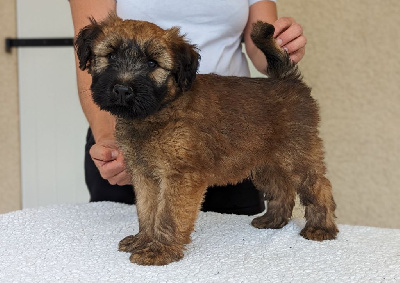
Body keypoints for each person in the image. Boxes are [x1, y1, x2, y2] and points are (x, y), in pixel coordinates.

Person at [69, 0, 307, 215]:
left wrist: (280, 49)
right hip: (121, 126)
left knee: (233, 246)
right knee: (119, 242)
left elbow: (258, 45)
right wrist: (110, 138)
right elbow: (92, 55)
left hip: (231, 129)